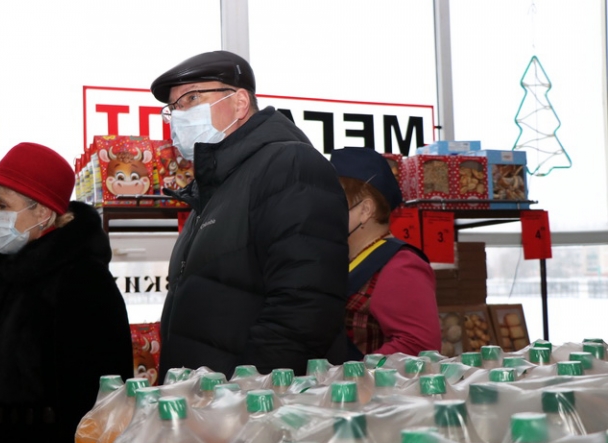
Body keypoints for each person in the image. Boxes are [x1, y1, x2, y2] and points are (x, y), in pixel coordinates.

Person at [0, 142, 134, 443]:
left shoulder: (83, 282)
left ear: (43, 210)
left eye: (3, 206)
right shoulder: (11, 274)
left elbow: (101, 403)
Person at [150, 50, 349, 380]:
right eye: (174, 108)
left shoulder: (291, 166)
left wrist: (247, 394)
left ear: (240, 103)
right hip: (204, 409)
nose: (180, 114)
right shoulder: (215, 188)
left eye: (192, 98)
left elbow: (304, 307)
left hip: (250, 410)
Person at [330, 147, 441, 356]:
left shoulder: (401, 267)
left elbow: (419, 345)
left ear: (365, 210)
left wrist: (360, 374)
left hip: (368, 388)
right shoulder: (343, 259)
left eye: (334, 200)